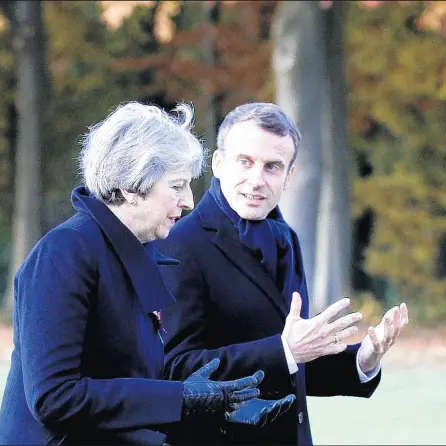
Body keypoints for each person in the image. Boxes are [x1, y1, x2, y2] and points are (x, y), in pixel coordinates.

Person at [0, 102, 296, 446]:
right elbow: (54, 397)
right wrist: (181, 398)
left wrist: (204, 406)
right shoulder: (64, 254)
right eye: (177, 186)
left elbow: (125, 387)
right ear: (132, 188)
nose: (188, 201)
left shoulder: (138, 252)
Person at [155, 102, 410, 445]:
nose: (256, 180)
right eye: (245, 162)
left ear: (289, 176)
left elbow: (295, 365)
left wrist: (362, 359)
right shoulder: (180, 245)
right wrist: (284, 351)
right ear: (218, 163)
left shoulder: (286, 239)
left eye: (272, 167)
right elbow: (175, 371)